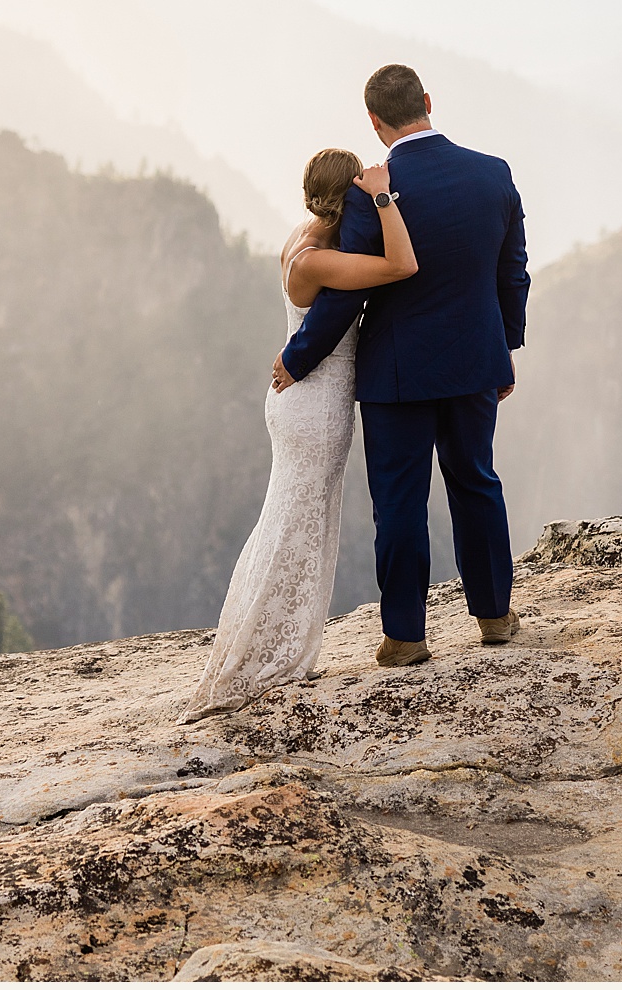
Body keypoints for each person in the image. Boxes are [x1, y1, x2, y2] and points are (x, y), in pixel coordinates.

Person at [274, 64, 529, 667]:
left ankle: (406, 637)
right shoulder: (492, 174)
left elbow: (347, 293)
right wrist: (505, 350)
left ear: (374, 121)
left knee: (400, 503)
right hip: (474, 362)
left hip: (396, 374)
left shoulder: (371, 190)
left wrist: (298, 358)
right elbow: (511, 272)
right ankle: (494, 617)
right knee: (476, 483)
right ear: (428, 102)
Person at [183, 148, 418, 718]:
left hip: (299, 400)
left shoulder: (302, 236)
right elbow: (400, 265)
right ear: (348, 195)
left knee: (290, 519)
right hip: (315, 404)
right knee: (299, 524)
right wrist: (384, 198)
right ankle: (271, 652)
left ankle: (268, 638)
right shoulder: (318, 261)